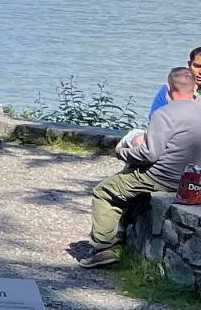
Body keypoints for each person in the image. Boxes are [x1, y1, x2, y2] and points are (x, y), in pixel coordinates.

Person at [73, 66, 201, 268]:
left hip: (162, 178)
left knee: (105, 191)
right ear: (194, 88)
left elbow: (150, 154)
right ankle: (123, 231)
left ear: (169, 88)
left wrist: (121, 152)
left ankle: (102, 248)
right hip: (193, 180)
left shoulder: (165, 114)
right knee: (128, 181)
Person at [148, 46, 201, 117]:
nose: (200, 72)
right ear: (189, 65)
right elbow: (154, 118)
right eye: (197, 66)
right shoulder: (170, 89)